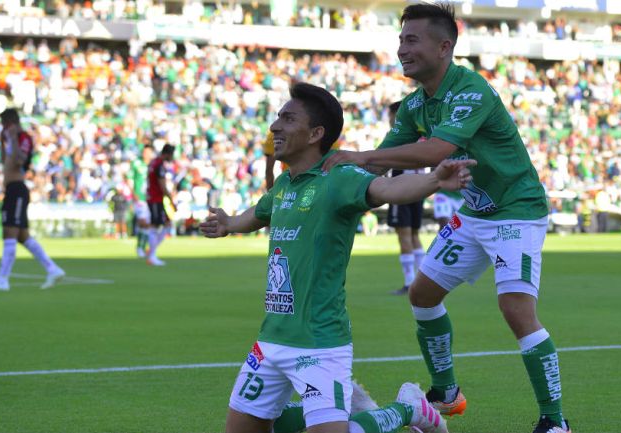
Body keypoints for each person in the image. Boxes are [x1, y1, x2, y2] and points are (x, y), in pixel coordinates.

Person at [322, 3, 571, 433]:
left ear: (444, 46)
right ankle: (447, 392)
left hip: (517, 211)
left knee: (516, 310)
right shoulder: (417, 104)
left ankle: (555, 421)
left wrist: (361, 155)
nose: (402, 48)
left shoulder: (471, 90)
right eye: (400, 40)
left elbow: (435, 152)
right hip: (475, 213)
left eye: (411, 40)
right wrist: (323, 176)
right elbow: (379, 163)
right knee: (422, 294)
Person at [200, 83, 475, 433]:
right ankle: (343, 406)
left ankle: (407, 410)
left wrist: (434, 180)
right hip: (271, 341)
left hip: (320, 342)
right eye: (277, 118)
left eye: (287, 118)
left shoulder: (339, 177)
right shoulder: (286, 183)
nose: (275, 127)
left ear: (316, 133)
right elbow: (260, 212)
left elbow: (386, 189)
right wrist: (229, 224)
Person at [0, 108, 65, 291]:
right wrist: (4, 141)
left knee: (9, 233)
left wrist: (12, 139)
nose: (2, 127)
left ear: (11, 122)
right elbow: (5, 161)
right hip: (12, 188)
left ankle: (2, 280)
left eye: (4, 123)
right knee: (22, 236)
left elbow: (19, 161)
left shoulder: (23, 137)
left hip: (18, 189)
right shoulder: (10, 138)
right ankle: (53, 269)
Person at [384, 101, 425, 296]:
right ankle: (426, 279)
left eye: (391, 116)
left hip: (400, 189)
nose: (389, 120)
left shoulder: (397, 136)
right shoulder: (421, 135)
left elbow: (384, 159)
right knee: (415, 235)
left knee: (404, 235)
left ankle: (410, 282)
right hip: (419, 188)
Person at [146, 144, 176, 266]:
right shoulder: (159, 165)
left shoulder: (154, 162)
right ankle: (152, 255)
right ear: (168, 154)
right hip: (156, 199)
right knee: (155, 226)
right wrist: (172, 201)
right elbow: (162, 186)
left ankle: (152, 252)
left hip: (153, 198)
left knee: (167, 224)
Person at [130, 145, 154, 258]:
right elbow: (130, 179)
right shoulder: (136, 163)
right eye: (145, 152)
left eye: (148, 152)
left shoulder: (153, 165)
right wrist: (133, 193)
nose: (146, 154)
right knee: (143, 222)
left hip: (150, 198)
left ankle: (142, 247)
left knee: (146, 225)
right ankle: (140, 248)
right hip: (139, 197)